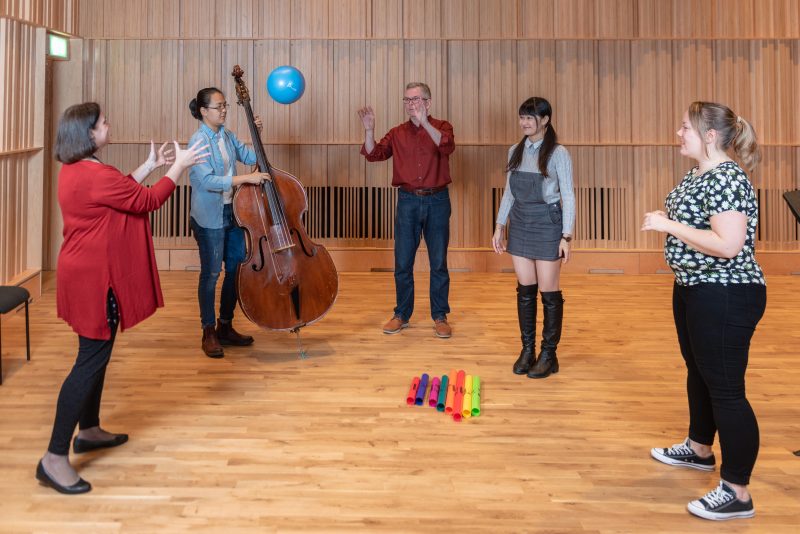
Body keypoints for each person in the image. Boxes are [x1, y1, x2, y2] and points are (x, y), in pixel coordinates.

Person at [37, 102, 209, 494]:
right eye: (102, 123)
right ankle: (53, 458)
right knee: (89, 361)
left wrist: (148, 166)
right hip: (94, 280)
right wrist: (178, 167)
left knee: (97, 354)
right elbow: (145, 201)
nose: (108, 125)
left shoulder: (79, 170)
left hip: (81, 273)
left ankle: (90, 429)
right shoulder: (96, 175)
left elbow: (120, 193)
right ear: (89, 134)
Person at [642, 101, 766, 521]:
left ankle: (738, 491)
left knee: (727, 390)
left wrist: (668, 225)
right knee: (700, 372)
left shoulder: (727, 178)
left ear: (710, 136)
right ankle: (698, 449)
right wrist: (670, 218)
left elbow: (728, 245)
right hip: (695, 288)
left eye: (685, 128)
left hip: (727, 293)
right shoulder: (700, 172)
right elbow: (698, 225)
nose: (679, 134)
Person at [358, 82, 456, 338]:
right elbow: (374, 154)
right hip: (408, 201)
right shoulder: (397, 132)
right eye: (407, 100)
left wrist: (425, 123)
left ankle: (440, 316)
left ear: (428, 102)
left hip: (437, 201)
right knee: (402, 263)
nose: (411, 104)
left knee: (438, 263)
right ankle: (401, 314)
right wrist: (369, 131)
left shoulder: (443, 127)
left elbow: (446, 146)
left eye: (416, 99)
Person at [491, 97, 575, 379]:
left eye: (531, 117)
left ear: (545, 120)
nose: (525, 122)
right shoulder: (515, 150)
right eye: (522, 117)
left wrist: (566, 236)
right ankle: (527, 350)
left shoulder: (558, 153)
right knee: (525, 290)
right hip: (521, 221)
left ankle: (548, 354)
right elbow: (508, 192)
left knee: (548, 293)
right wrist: (500, 225)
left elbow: (569, 195)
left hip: (547, 223)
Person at [188, 88, 271, 358]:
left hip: (232, 213)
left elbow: (250, 158)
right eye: (218, 106)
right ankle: (208, 330)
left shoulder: (226, 135)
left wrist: (257, 136)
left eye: (225, 106)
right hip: (209, 217)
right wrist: (245, 179)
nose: (223, 110)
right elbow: (206, 181)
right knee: (211, 274)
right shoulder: (197, 142)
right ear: (203, 111)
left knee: (236, 270)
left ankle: (225, 325)